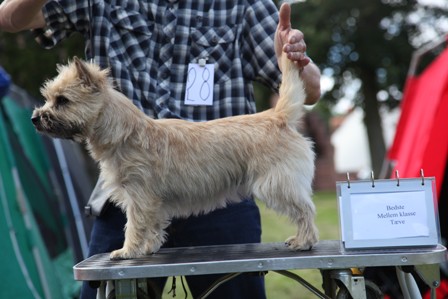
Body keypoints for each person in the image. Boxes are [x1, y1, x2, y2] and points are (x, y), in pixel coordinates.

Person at [0, 1, 321, 298]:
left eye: (61, 102)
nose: (45, 111)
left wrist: (293, 61)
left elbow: (312, 90)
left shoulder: (242, 4)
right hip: (121, 210)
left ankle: (306, 227)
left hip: (224, 207)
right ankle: (143, 237)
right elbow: (9, 18)